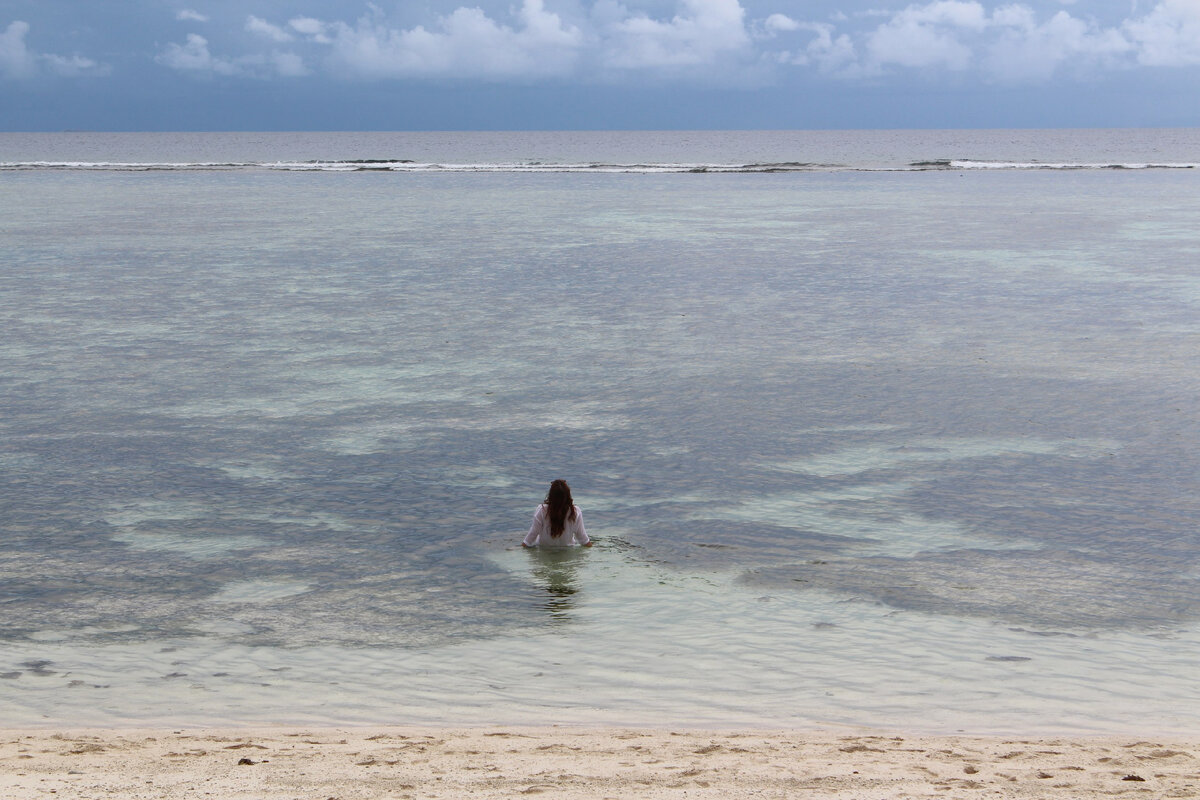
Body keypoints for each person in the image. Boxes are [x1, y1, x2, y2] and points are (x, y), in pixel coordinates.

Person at [522, 479, 592, 547]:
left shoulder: (542, 511)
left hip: (544, 552)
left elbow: (530, 538)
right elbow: (584, 540)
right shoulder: (575, 512)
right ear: (568, 496)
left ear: (550, 495)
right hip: (567, 553)